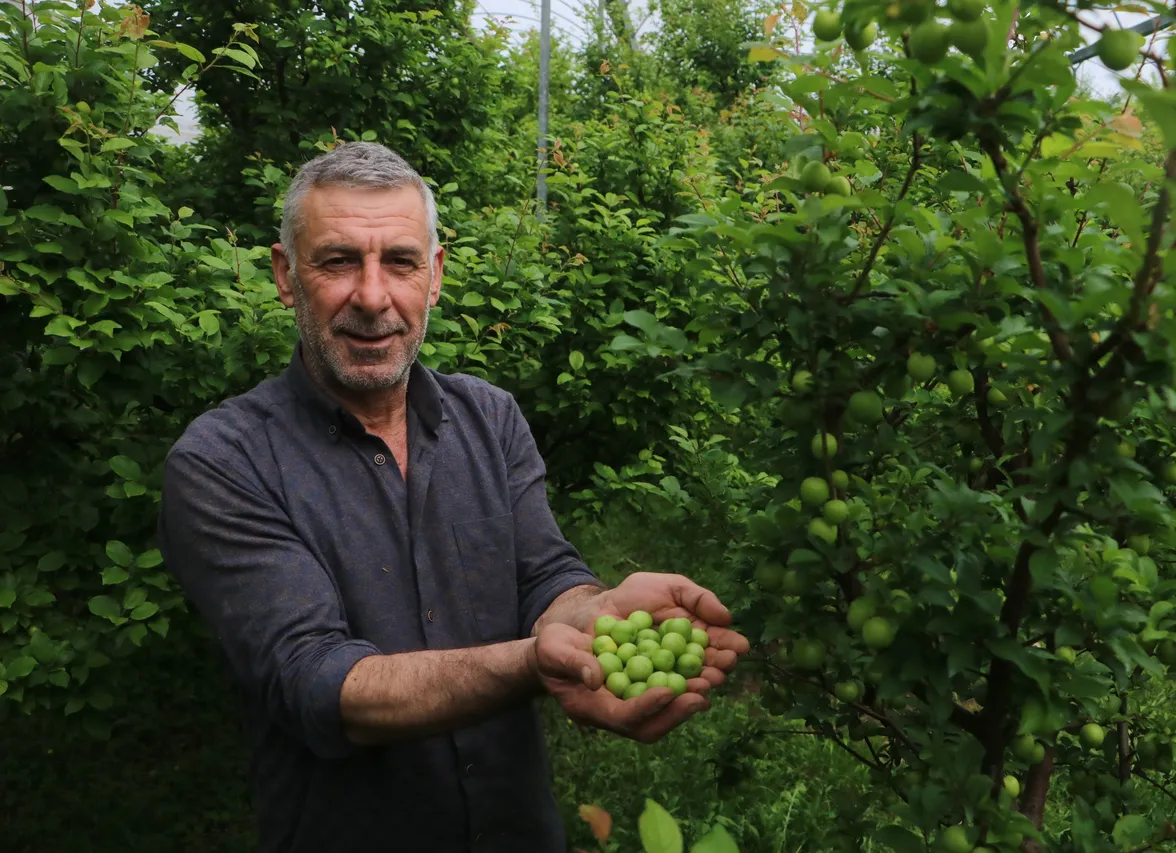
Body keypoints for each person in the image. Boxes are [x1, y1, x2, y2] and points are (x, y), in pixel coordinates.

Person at [155, 141, 749, 853]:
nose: (373, 297)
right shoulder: (224, 461)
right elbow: (316, 681)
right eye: (339, 260)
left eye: (400, 261)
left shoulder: (489, 419)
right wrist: (535, 662)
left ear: (434, 276)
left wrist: (595, 611)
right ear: (286, 276)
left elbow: (544, 576)